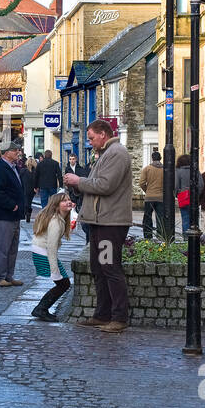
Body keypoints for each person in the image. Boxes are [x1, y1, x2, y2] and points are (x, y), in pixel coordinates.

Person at [64, 119, 133, 333]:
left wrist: (78, 181)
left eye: (92, 138)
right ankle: (102, 315)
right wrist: (78, 186)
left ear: (103, 134)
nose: (90, 142)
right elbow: (96, 185)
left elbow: (105, 185)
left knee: (110, 267)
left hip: (110, 223)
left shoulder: (116, 153)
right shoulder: (105, 154)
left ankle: (119, 317)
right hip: (99, 222)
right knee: (99, 268)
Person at [30, 191, 74, 321]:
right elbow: (51, 248)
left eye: (68, 199)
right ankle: (40, 309)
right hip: (43, 252)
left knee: (64, 283)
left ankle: (41, 308)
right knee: (63, 283)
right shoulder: (56, 222)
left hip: (40, 250)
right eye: (64, 201)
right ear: (56, 206)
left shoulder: (59, 219)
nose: (68, 202)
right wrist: (54, 270)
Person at [0, 140, 25, 288]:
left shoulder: (13, 167)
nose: (17, 152)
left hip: (14, 215)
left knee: (12, 248)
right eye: (14, 150)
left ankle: (9, 276)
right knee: (3, 247)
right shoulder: (0, 168)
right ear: (6, 153)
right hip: (5, 215)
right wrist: (13, 205)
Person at [175, 154, 204, 238]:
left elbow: (176, 186)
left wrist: (178, 194)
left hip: (183, 198)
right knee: (195, 218)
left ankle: (186, 237)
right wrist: (197, 194)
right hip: (194, 198)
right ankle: (195, 237)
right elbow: (201, 185)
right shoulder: (196, 171)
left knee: (185, 218)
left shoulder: (178, 171)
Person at [139, 150, 164, 240]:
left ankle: (148, 235)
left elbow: (141, 183)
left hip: (149, 197)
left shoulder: (147, 169)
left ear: (152, 158)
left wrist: (147, 190)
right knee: (160, 217)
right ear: (160, 158)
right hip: (161, 197)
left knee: (147, 216)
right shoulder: (164, 169)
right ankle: (160, 235)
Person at [19, 156, 35, 222]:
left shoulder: (23, 170)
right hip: (32, 189)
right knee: (29, 202)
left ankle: (26, 213)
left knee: (25, 201)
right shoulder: (35, 171)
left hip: (24, 188)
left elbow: (19, 179)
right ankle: (28, 213)